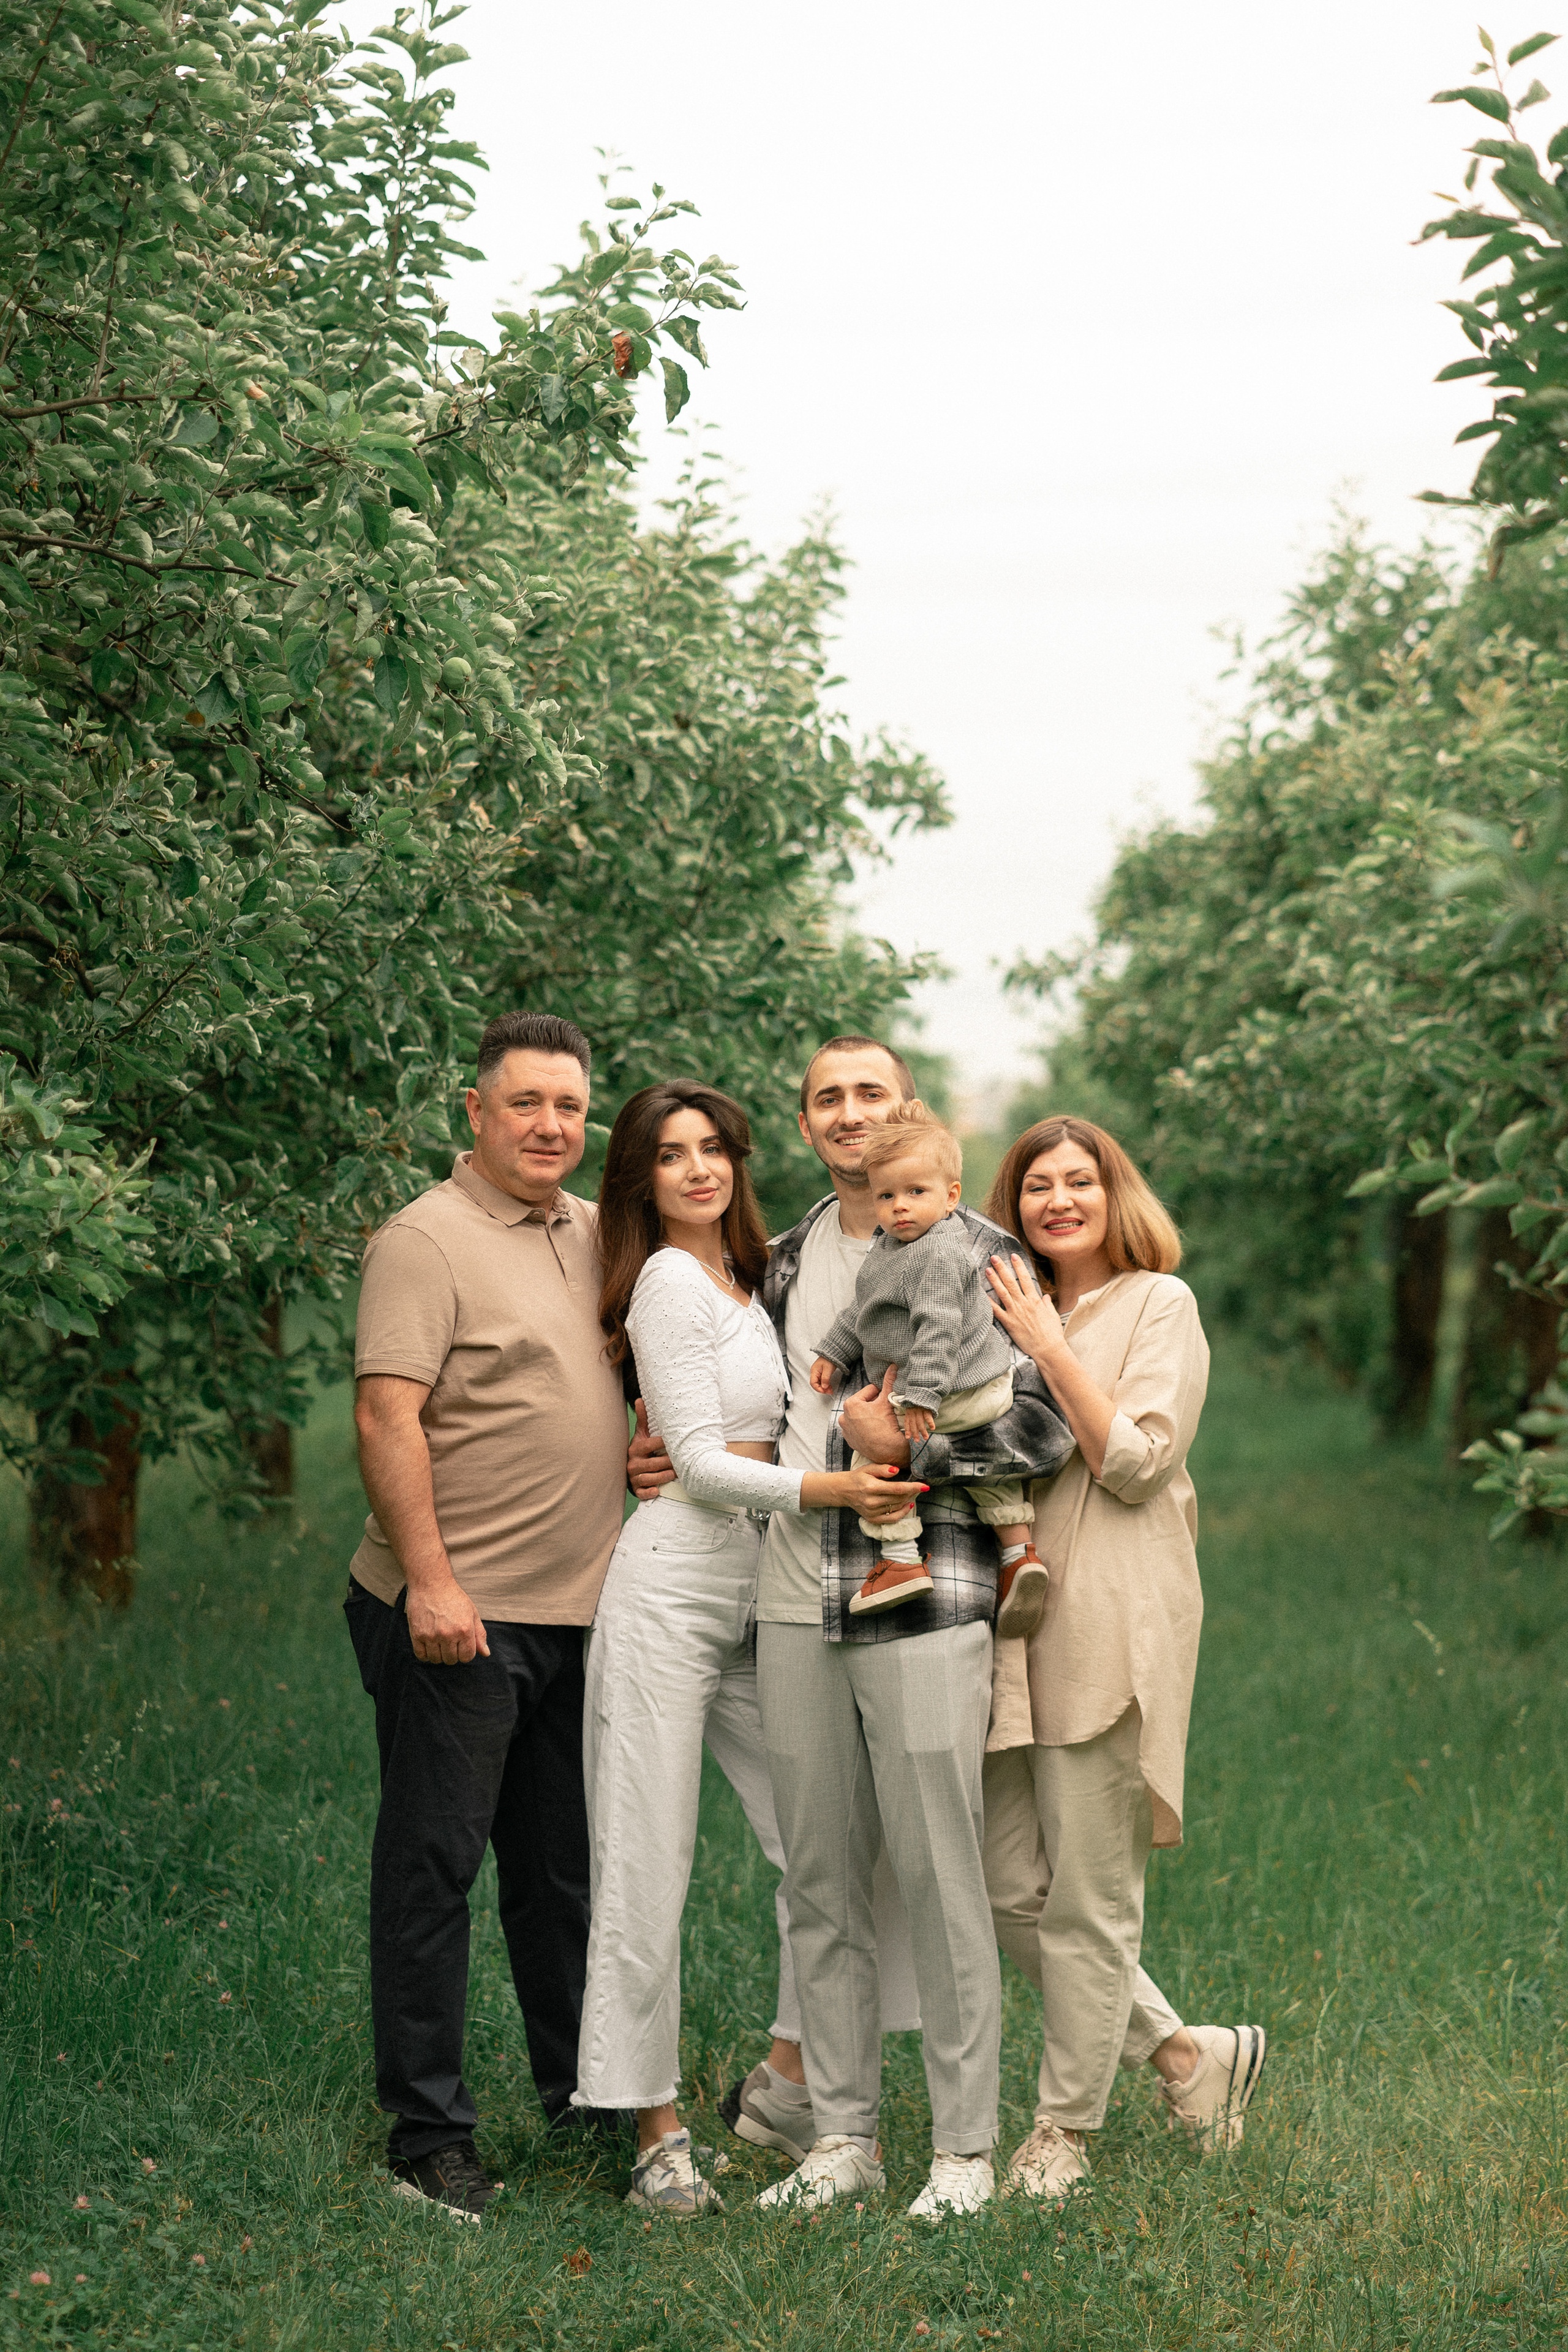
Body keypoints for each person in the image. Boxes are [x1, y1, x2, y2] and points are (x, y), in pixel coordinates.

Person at [632, 1035, 1074, 2222]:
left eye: (868, 1092)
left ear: (906, 1109)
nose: (847, 1113)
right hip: (789, 1585)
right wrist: (658, 1452)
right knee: (820, 1879)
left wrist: (909, 1458)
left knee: (937, 1874)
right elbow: (731, 1409)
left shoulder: (986, 1255)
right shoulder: (770, 1264)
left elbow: (1043, 1432)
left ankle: (963, 2153)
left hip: (924, 1582)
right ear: (804, 1121)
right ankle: (842, 2141)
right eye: (825, 1096)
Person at [574, 1079, 927, 2216]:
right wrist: (840, 1489)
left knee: (830, 1842)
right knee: (647, 1860)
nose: (698, 1168)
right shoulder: (670, 1282)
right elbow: (705, 1468)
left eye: (714, 1147)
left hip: (761, 1593)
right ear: (641, 1179)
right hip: (675, 1592)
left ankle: (791, 2073)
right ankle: (654, 2133)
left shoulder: (749, 1273)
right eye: (671, 1155)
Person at [344, 1011, 630, 2223]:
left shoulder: (597, 1232)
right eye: (525, 1104)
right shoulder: (426, 1240)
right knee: (433, 1870)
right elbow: (385, 1419)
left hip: (581, 1614)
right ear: (474, 1111)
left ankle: (580, 2096)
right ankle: (426, 2133)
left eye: (568, 1107)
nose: (549, 1127)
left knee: (561, 1875)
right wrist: (433, 1583)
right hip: (456, 1615)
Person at [979, 1114, 1267, 2203]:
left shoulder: (1159, 1304)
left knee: (1090, 1898)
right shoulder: (998, 1305)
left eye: (1078, 1182)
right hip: (1006, 1628)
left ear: (1113, 1193)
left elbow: (1139, 1464)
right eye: (1036, 1186)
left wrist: (1048, 1349)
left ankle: (1063, 2133)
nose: (1059, 1201)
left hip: (1109, 1615)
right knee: (1010, 1882)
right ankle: (1189, 2056)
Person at [810, 1098, 1044, 1631]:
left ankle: (900, 1561)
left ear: (951, 1196)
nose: (899, 1207)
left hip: (956, 1385)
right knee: (988, 1471)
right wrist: (835, 1349)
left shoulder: (939, 1251)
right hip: (977, 1389)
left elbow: (937, 1331)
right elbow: (866, 1311)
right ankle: (1019, 1553)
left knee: (874, 1463)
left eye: (916, 1193)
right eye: (887, 1195)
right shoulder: (892, 1247)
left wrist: (918, 1398)